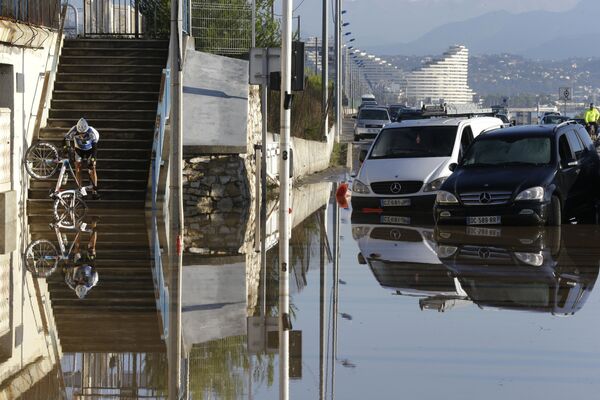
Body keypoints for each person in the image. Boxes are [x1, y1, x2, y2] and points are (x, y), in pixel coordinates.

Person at [64, 117, 100, 198]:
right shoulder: (73, 129)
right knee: (78, 169)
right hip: (78, 150)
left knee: (92, 169)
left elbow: (95, 147)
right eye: (80, 133)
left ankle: (94, 191)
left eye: (84, 133)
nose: (82, 135)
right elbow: (65, 139)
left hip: (90, 150)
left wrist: (93, 159)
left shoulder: (92, 132)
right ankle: (79, 190)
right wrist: (67, 148)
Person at [64, 217, 99, 299]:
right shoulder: (92, 282)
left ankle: (79, 228)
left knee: (77, 247)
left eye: (80, 282)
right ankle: (94, 225)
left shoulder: (71, 283)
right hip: (89, 265)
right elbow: (95, 269)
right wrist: (92, 260)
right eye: (83, 283)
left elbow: (68, 271)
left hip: (77, 264)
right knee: (92, 248)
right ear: (86, 285)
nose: (81, 281)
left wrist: (70, 265)